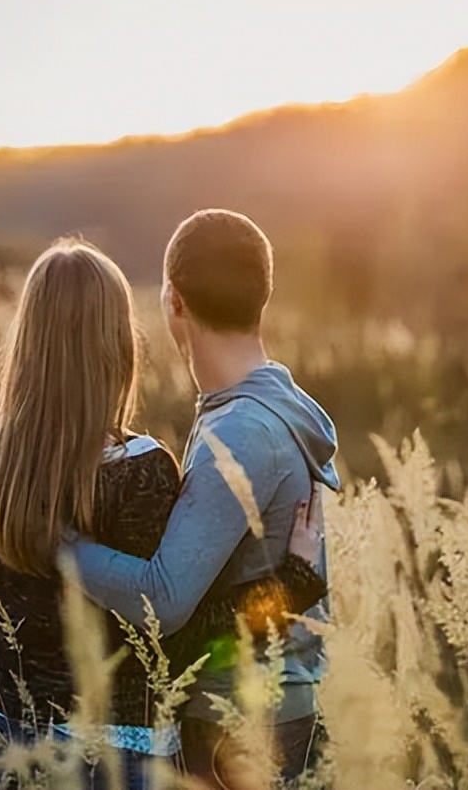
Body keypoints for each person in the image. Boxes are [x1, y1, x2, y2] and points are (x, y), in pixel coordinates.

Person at [0, 238, 327, 790]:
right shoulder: (141, 471)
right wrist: (289, 590)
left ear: (27, 339)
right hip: (109, 750)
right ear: (117, 344)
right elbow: (167, 636)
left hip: (3, 732)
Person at [66, 209, 341, 788]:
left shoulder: (241, 433)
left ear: (173, 301)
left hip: (240, 722)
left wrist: (61, 547)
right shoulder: (269, 406)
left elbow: (163, 600)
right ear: (261, 296)